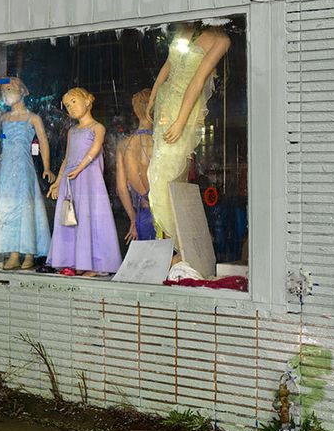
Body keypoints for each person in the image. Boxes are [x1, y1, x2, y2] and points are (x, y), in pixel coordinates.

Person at [146, 22, 231, 243]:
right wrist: (153, 97)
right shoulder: (185, 28)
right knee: (156, 174)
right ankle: (169, 241)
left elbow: (197, 81)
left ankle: (177, 244)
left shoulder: (220, 40)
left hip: (184, 109)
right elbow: (168, 64)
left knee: (167, 176)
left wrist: (181, 121)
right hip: (166, 105)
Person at [47, 87, 121, 275]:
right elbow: (67, 157)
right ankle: (74, 261)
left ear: (87, 101)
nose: (70, 107)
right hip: (71, 180)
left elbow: (94, 150)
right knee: (71, 219)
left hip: (88, 180)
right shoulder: (72, 131)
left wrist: (79, 169)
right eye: (66, 105)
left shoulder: (97, 128)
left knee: (91, 216)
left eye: (73, 102)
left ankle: (95, 264)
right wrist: (58, 181)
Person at [0, 77, 51, 270]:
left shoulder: (33, 118)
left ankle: (29, 252)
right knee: (8, 207)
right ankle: (13, 253)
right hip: (6, 169)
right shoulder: (3, 119)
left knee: (27, 206)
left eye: (10, 88)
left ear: (21, 90)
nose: (6, 92)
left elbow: (43, 141)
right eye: (4, 90)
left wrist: (47, 167)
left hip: (24, 166)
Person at [116, 89, 156, 243]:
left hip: (142, 214)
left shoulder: (123, 145)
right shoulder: (161, 142)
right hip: (164, 215)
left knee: (147, 263)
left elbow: (121, 188)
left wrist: (133, 219)